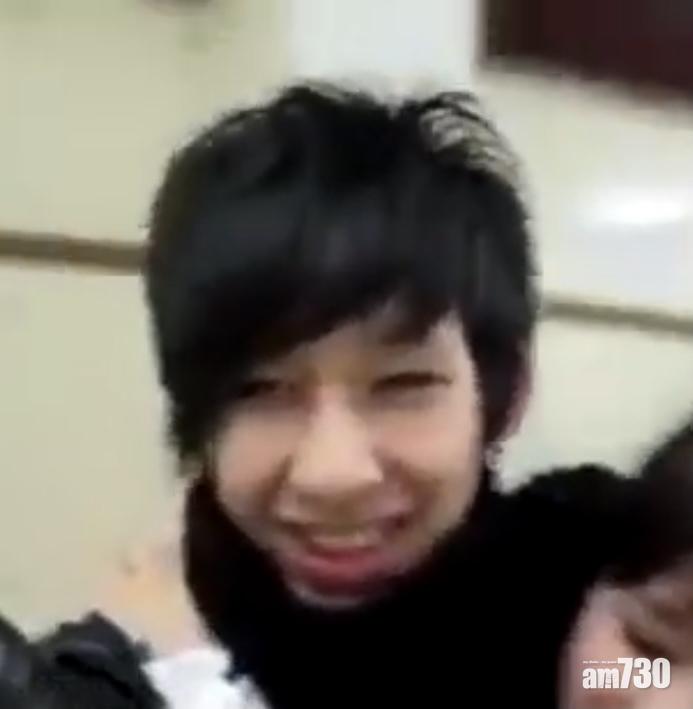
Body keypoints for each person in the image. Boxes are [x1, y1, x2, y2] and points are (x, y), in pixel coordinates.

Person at [0, 84, 685, 708]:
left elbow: (652, 676)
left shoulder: (574, 589)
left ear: (505, 394)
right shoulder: (110, 673)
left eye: (402, 385)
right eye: (260, 390)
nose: (333, 474)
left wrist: (637, 672)